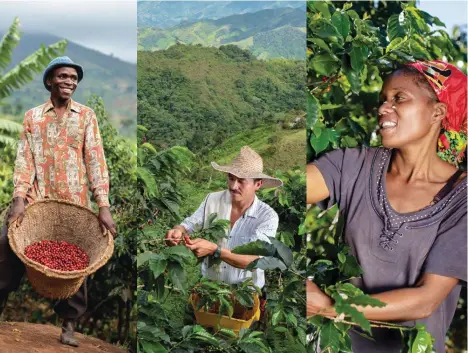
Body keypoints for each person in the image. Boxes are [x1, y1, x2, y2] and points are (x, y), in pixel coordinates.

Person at [306, 60, 467, 353]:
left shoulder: (462, 198)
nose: (382, 109)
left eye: (399, 98)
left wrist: (329, 306)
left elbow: (425, 300)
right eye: (382, 100)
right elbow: (286, 187)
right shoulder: (353, 165)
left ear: (437, 112)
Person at [0, 56, 117, 347]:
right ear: (50, 81)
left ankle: (68, 326)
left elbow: (95, 159)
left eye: (74, 78)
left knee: (76, 264)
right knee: (6, 247)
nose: (70, 82)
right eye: (63, 76)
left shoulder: (86, 116)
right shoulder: (33, 116)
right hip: (35, 199)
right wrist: (18, 199)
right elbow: (24, 160)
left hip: (73, 201)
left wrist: (103, 206)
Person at [165, 146, 282, 292]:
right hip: (210, 287)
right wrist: (178, 230)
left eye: (241, 181)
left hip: (246, 292)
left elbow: (255, 260)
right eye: (231, 178)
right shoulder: (212, 200)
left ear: (257, 184)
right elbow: (189, 224)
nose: (233, 186)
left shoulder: (267, 217)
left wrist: (215, 250)